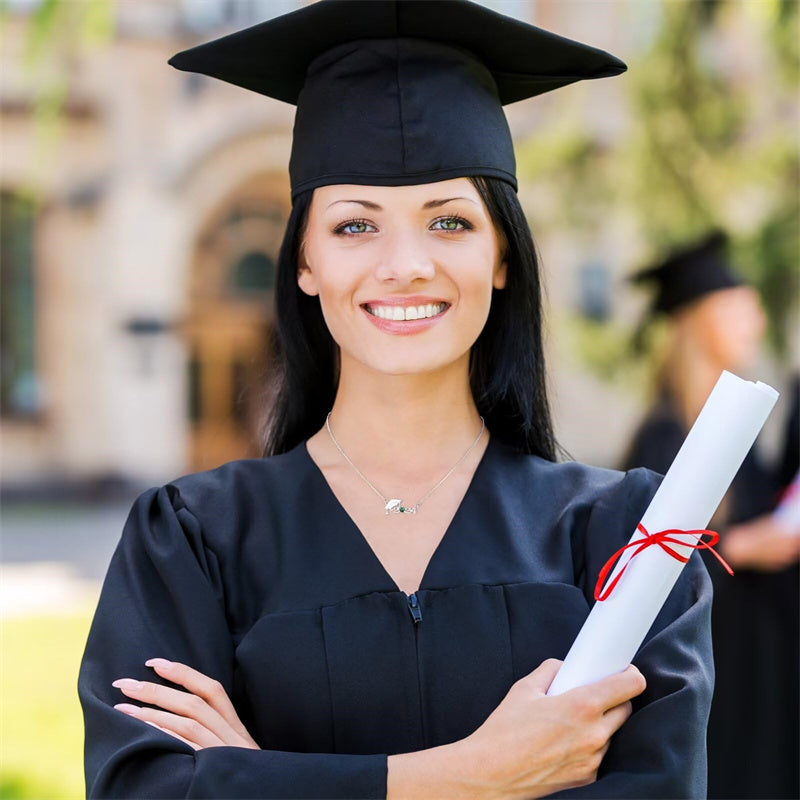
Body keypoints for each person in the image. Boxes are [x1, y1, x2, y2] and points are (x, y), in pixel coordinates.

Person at [78, 2, 715, 798]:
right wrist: (473, 777)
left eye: (449, 221)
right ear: (304, 262)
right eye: (354, 228)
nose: (405, 264)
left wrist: (259, 779)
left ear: (503, 257)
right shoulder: (194, 546)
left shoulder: (623, 543)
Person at [621, 230, 800, 799]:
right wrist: (746, 547)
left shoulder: (733, 435)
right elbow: (643, 560)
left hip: (756, 661)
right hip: (713, 673)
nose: (757, 324)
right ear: (702, 320)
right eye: (740, 309)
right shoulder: (666, 437)